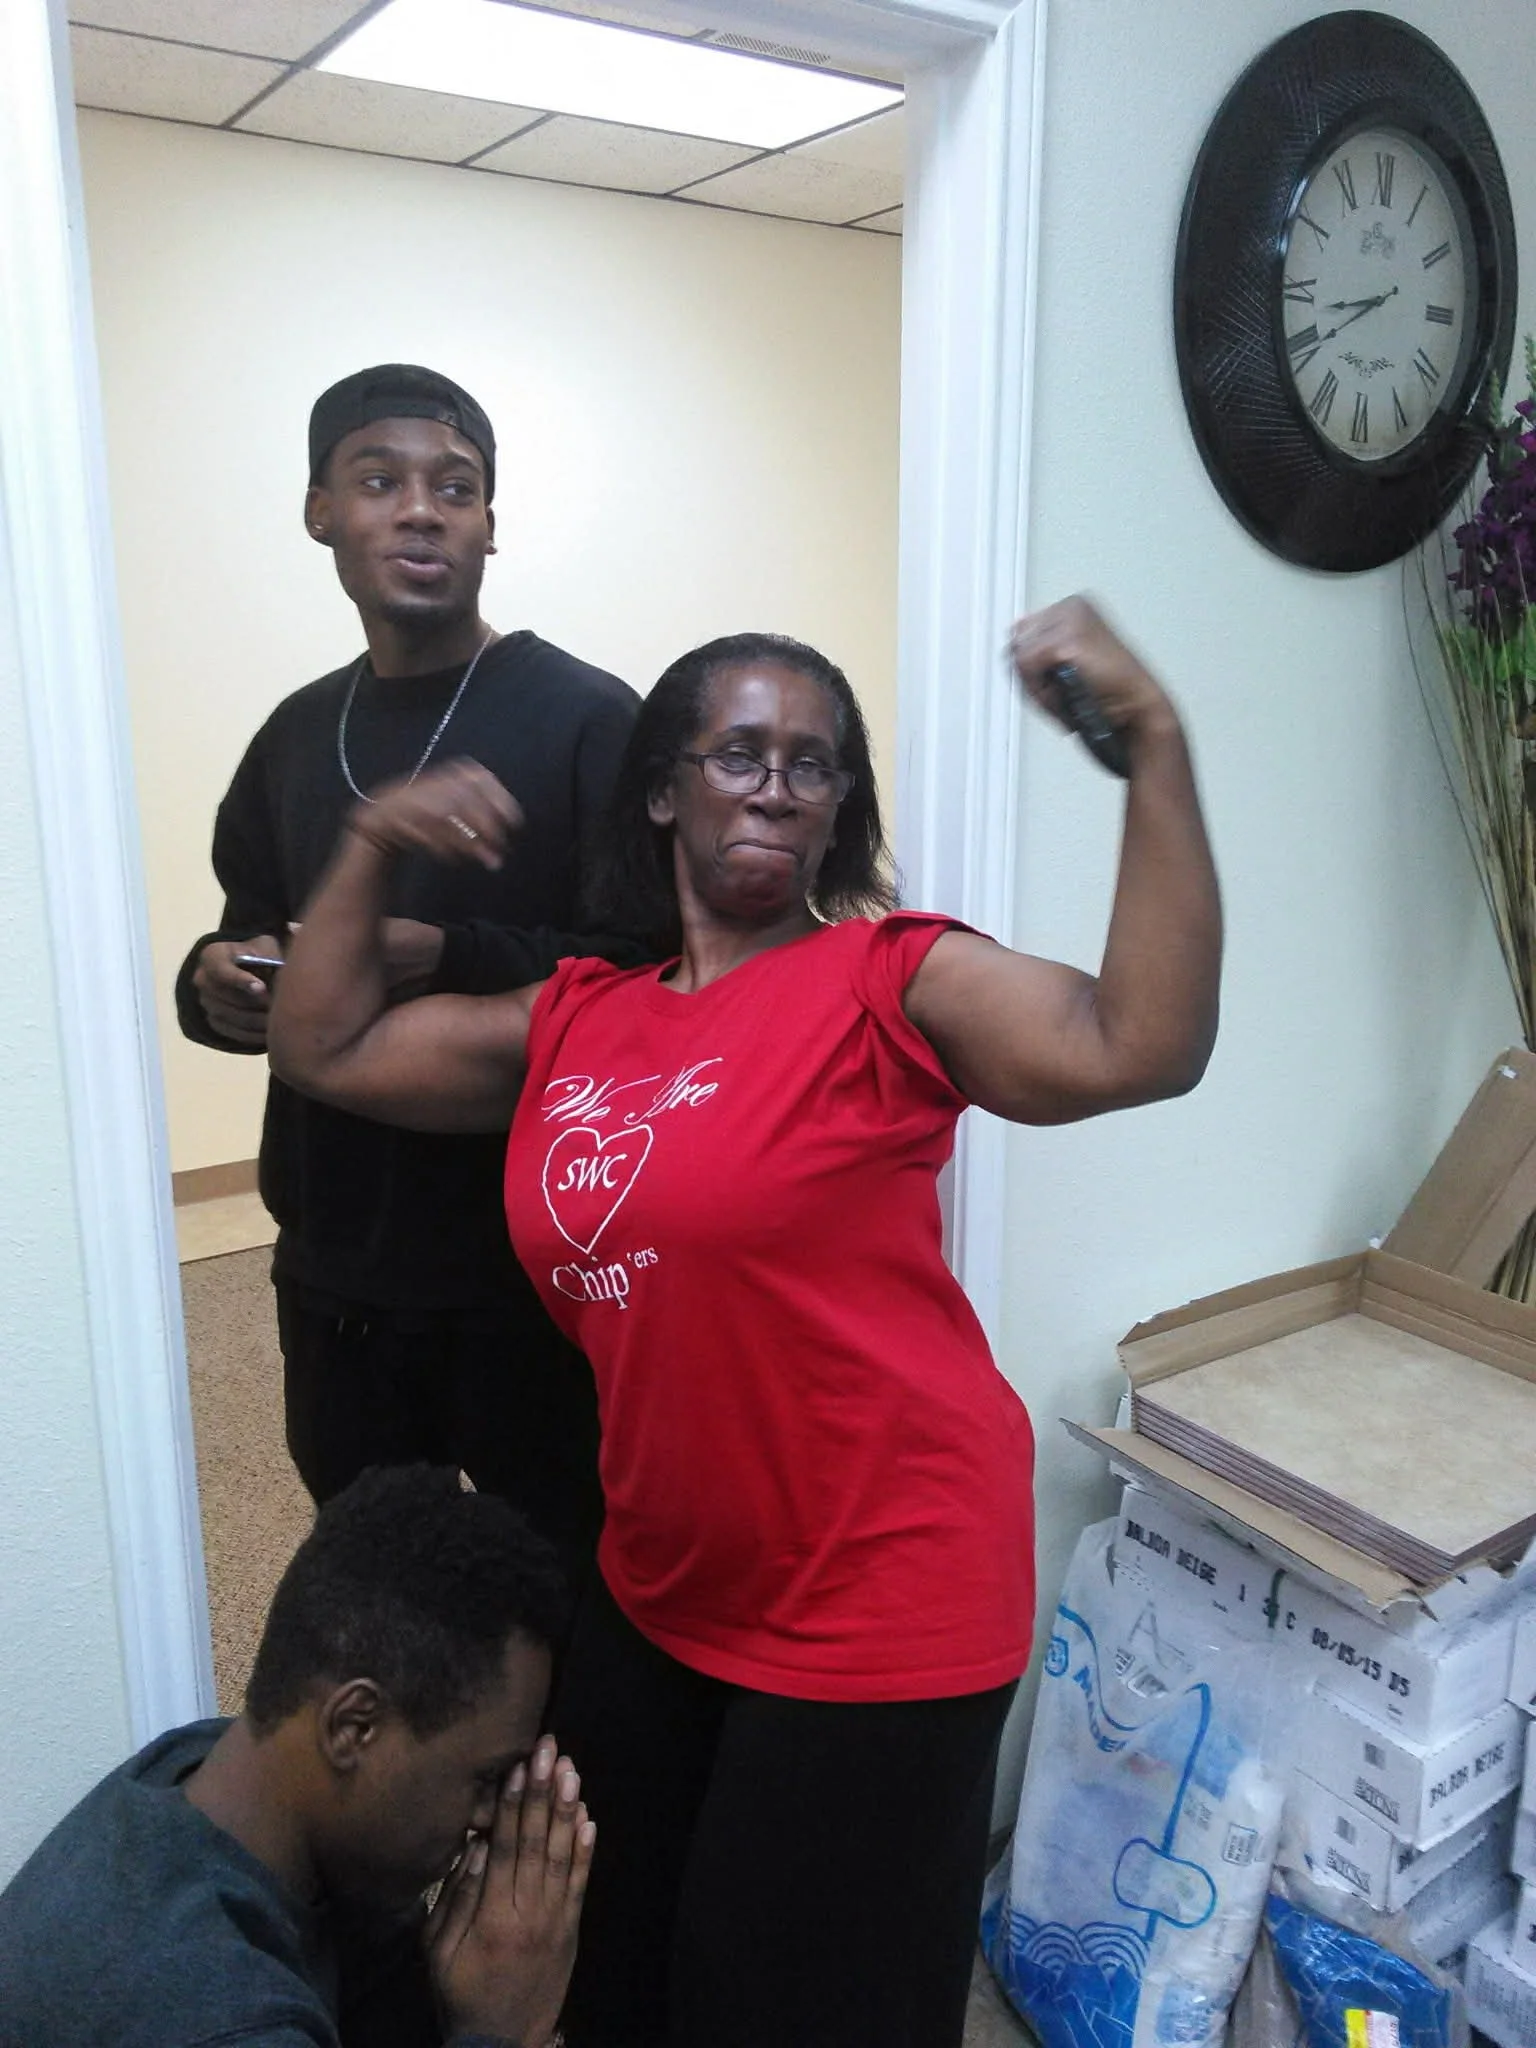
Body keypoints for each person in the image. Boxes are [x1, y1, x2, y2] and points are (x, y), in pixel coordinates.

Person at [265, 596, 1223, 2047]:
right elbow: (323, 1042)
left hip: (883, 1586)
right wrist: (376, 841)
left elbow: (1140, 1040)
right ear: (664, 786)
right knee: (624, 1959)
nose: (777, 782)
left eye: (813, 762)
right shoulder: (580, 1015)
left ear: (841, 807)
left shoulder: (889, 977)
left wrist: (1151, 742)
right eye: (738, 752)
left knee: (803, 2002)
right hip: (657, 1579)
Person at [174, 364, 640, 1579]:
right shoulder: (292, 732)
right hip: (337, 1261)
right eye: (380, 481)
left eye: (456, 487)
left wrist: (452, 951)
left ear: (492, 522)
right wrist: (213, 979)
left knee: (568, 1582)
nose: (421, 510)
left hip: (536, 1268)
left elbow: (659, 976)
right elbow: (252, 930)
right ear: (322, 508)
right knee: (379, 1590)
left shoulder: (589, 717)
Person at [0, 1465, 595, 2048]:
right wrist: (501, 2028)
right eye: (486, 1779)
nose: (492, 1816)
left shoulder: (205, 1764)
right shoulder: (211, 2013)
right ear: (354, 1727)